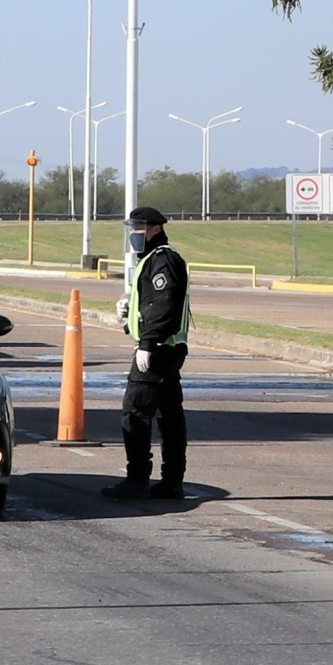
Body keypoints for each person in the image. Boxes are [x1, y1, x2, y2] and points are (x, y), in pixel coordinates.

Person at [102, 207, 193, 500]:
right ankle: (171, 481)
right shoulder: (152, 260)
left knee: (136, 414)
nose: (133, 234)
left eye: (138, 228)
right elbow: (152, 304)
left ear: (154, 229)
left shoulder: (162, 259)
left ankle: (138, 479)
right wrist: (130, 311)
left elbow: (164, 306)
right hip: (166, 350)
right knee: (169, 416)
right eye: (132, 228)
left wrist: (147, 344)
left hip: (158, 351)